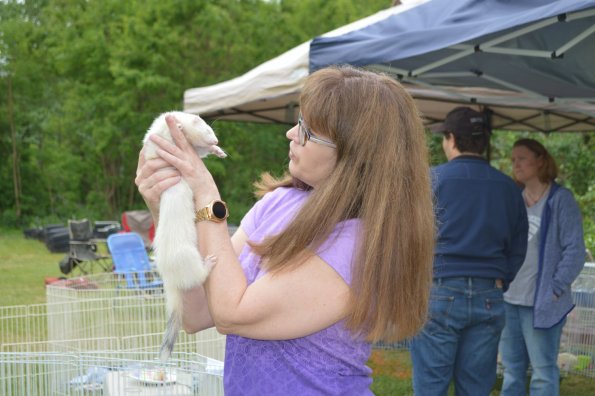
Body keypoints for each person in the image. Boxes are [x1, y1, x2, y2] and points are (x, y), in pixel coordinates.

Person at [135, 65, 435, 395]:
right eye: (298, 122)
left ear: (356, 155)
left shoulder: (356, 242)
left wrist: (207, 196)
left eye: (307, 131)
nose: (291, 134)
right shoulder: (279, 202)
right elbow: (197, 313)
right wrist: (166, 209)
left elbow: (231, 314)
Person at [410, 107, 529, 396]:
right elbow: (519, 245)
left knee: (430, 387)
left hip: (438, 289)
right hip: (490, 293)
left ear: (451, 138)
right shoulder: (509, 188)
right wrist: (501, 279)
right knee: (476, 388)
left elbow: (410, 238)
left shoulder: (430, 181)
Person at [500, 138, 586, 396]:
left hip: (542, 302)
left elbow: (575, 250)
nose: (516, 164)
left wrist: (556, 288)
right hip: (509, 299)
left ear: (541, 160)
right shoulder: (513, 198)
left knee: (543, 371)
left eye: (522, 158)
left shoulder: (560, 200)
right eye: (513, 160)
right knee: (512, 371)